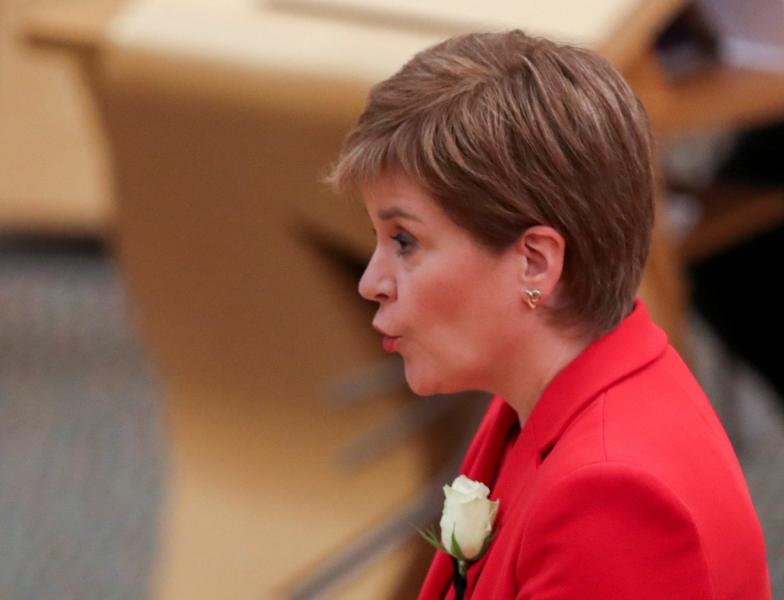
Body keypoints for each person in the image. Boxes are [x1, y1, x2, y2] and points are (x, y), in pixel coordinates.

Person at [328, 31, 770, 599]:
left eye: (405, 241)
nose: (371, 282)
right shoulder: (542, 397)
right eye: (378, 239)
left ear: (535, 264)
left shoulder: (611, 498)